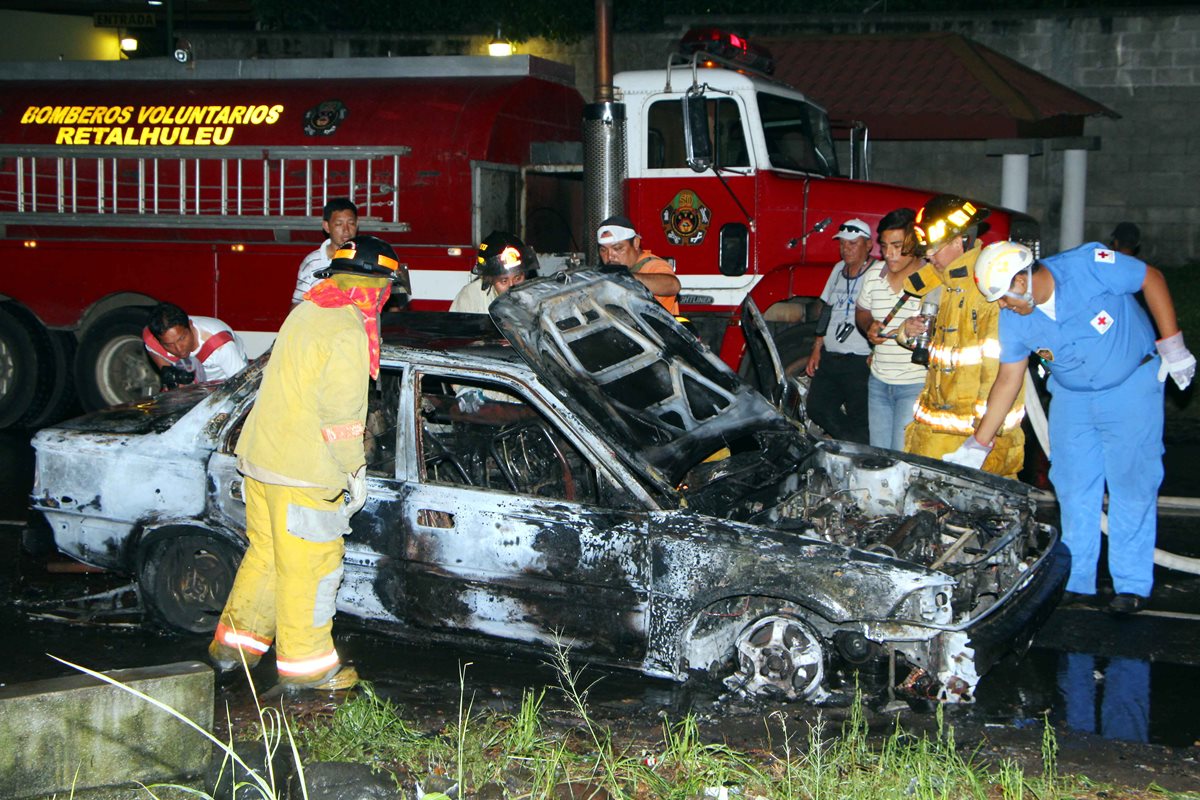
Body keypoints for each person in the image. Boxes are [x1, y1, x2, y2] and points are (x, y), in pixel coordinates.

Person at [946, 239, 1194, 614]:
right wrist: (978, 444)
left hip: (1131, 387)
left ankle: (1131, 584)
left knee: (1131, 484)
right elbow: (1009, 379)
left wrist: (1173, 346)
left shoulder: (1089, 265)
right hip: (1072, 398)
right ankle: (1077, 581)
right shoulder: (1015, 318)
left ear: (1021, 280)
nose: (1002, 306)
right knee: (1074, 489)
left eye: (1003, 297)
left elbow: (1151, 278)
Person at [209, 234, 410, 696]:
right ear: (375, 287)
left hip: (262, 459)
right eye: (386, 289)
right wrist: (354, 470)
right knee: (311, 567)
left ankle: (233, 650)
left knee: (267, 557)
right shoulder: (347, 330)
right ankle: (308, 669)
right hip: (303, 471)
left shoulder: (308, 310)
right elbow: (341, 417)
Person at [899, 195, 1025, 477]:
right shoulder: (941, 285)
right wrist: (907, 332)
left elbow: (999, 372)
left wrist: (981, 440)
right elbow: (934, 348)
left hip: (971, 444)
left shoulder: (986, 290)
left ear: (960, 242)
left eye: (934, 249)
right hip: (934, 439)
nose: (929, 256)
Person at [855, 209, 928, 450]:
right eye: (885, 246)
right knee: (879, 454)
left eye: (897, 246)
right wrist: (869, 325)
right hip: (878, 381)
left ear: (914, 243)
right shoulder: (874, 275)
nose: (889, 254)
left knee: (901, 456)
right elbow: (862, 311)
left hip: (915, 384)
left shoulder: (931, 279)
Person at [804, 218, 874, 444]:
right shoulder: (837, 269)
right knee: (817, 407)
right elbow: (827, 309)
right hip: (832, 355)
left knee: (859, 415)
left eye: (853, 244)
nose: (846, 249)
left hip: (859, 358)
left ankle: (859, 450)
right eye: (842, 244)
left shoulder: (877, 272)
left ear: (868, 245)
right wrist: (817, 348)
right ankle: (851, 444)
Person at [143, 302, 247, 390]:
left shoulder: (220, 346)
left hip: (227, 376)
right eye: (169, 345)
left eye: (182, 338)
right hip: (197, 379)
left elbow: (245, 386)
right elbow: (152, 348)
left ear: (190, 325)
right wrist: (170, 374)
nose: (179, 349)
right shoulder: (151, 339)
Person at [596, 215, 681, 315]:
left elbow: (673, 285)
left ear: (636, 243)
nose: (609, 257)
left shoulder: (653, 265)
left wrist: (627, 277)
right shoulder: (607, 272)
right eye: (603, 250)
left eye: (617, 248)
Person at [449, 231, 537, 314]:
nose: (512, 287)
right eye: (504, 281)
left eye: (518, 278)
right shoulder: (470, 297)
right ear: (490, 280)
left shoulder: (536, 297)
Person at [293, 198, 359, 305]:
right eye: (339, 224)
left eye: (351, 223)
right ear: (327, 226)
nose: (346, 230)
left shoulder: (366, 259)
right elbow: (298, 304)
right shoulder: (312, 262)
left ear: (357, 224)